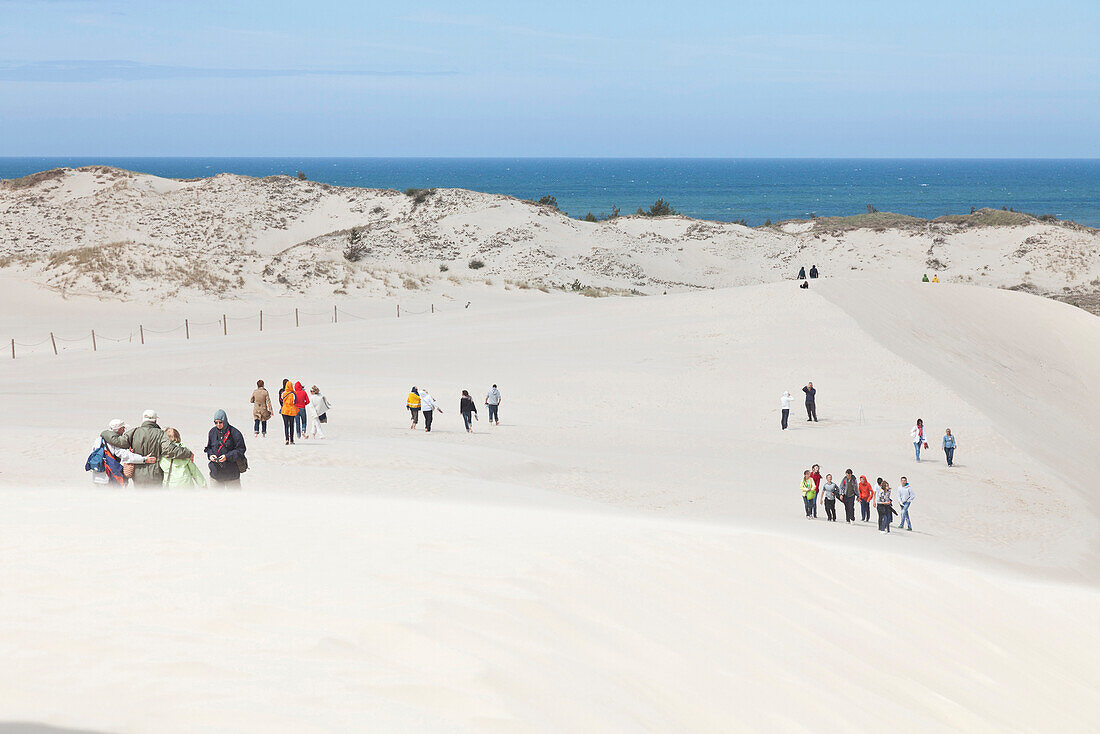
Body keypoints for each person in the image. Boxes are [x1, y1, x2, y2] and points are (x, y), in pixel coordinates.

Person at [102, 409, 192, 486]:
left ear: (143, 420)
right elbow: (169, 450)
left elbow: (118, 441)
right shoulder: (160, 433)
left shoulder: (134, 432)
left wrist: (105, 433)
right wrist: (188, 453)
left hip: (137, 474)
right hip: (155, 473)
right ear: (155, 420)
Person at [89, 419, 156, 486]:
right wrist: (144, 459)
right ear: (119, 429)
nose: (124, 430)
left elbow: (92, 454)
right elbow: (126, 456)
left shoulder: (98, 440)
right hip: (108, 478)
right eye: (123, 428)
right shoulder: (114, 442)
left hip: (96, 476)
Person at [205, 409, 246, 488]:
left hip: (232, 475)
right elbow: (208, 448)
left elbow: (241, 450)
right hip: (216, 474)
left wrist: (227, 457)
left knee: (234, 499)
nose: (218, 424)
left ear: (225, 421)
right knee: (216, 499)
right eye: (216, 422)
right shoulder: (212, 432)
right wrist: (210, 455)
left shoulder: (235, 433)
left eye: (220, 422)